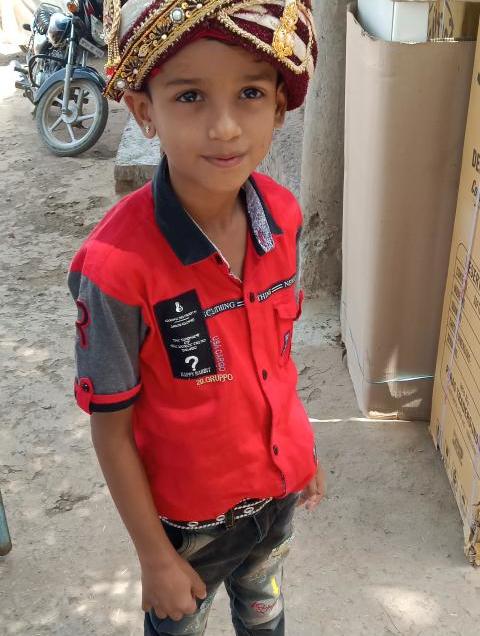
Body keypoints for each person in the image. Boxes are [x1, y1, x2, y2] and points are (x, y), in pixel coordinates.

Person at [68, 0, 325, 633]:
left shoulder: (283, 217)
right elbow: (112, 430)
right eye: (189, 97)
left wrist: (300, 452)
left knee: (264, 608)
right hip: (187, 531)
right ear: (143, 110)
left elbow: (276, 358)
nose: (226, 128)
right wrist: (154, 557)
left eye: (250, 93)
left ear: (280, 106)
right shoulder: (115, 268)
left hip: (277, 499)